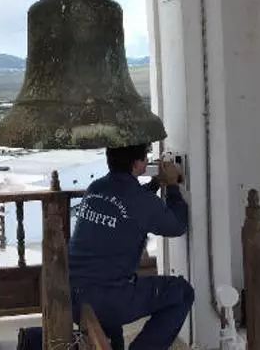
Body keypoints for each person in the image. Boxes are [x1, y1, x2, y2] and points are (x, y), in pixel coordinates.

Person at [68, 144, 192, 350]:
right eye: (145, 157)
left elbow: (126, 205)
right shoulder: (141, 201)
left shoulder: (96, 188)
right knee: (181, 292)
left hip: (72, 295)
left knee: (112, 333)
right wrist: (172, 186)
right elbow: (177, 226)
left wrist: (155, 183)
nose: (148, 160)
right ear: (137, 164)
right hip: (106, 300)